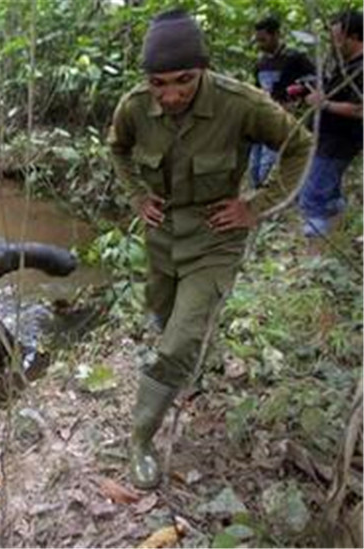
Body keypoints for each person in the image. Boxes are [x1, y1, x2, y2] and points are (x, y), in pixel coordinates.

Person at [107, 9, 312, 489]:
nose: (171, 94)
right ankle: (183, 362)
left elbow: (299, 145)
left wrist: (256, 206)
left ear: (202, 69)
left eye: (183, 80)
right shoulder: (134, 106)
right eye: (159, 83)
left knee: (176, 342)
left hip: (216, 239)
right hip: (161, 239)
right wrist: (138, 196)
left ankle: (139, 438)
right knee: (163, 317)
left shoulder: (239, 103)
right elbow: (117, 149)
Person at [298, 9, 363, 246]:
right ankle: (335, 233)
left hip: (339, 142)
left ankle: (315, 257)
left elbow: (360, 109)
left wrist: (324, 103)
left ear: (354, 37)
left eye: (338, 38)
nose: (334, 44)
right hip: (326, 139)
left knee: (312, 197)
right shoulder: (345, 66)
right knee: (326, 193)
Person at [249, 15, 316, 187]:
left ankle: (264, 201)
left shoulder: (295, 58)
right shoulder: (261, 63)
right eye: (258, 41)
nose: (260, 45)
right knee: (253, 166)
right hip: (260, 117)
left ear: (276, 35)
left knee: (268, 163)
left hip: (282, 118)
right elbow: (258, 89)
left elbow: (316, 80)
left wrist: (297, 91)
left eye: (263, 40)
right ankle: (257, 194)